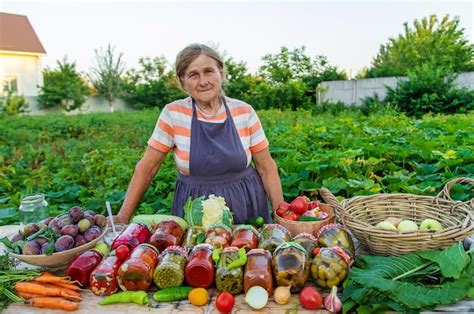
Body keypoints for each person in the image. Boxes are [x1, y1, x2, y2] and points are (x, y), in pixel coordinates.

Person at [114, 43, 283, 224]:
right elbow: (147, 169)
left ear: (221, 73)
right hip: (196, 211)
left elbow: (266, 168)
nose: (203, 81)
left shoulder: (244, 111)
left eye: (209, 71)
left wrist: (281, 213)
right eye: (193, 75)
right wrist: (123, 216)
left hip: (246, 202)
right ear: (182, 82)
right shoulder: (173, 114)